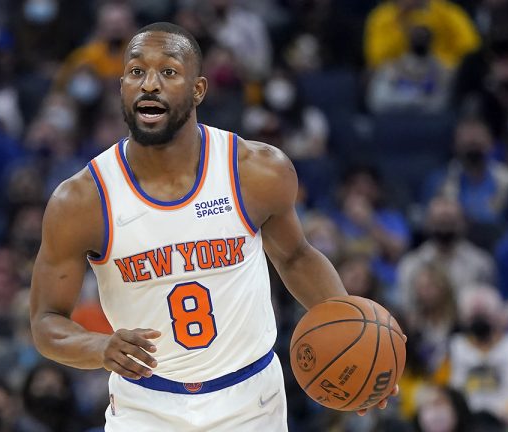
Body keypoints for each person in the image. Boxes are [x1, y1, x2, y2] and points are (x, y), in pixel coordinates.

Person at [29, 22, 398, 431]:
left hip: (252, 399)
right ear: (122, 88)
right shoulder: (81, 200)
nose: (149, 84)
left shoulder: (255, 170)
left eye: (168, 72)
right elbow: (46, 322)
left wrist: (357, 342)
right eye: (136, 72)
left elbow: (295, 258)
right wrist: (99, 347)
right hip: (146, 406)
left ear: (199, 90)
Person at [434, 285, 508, 426]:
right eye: (474, 316)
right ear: (464, 318)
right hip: (464, 423)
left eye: (485, 315)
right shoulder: (451, 349)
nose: (479, 321)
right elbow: (439, 389)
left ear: (497, 315)